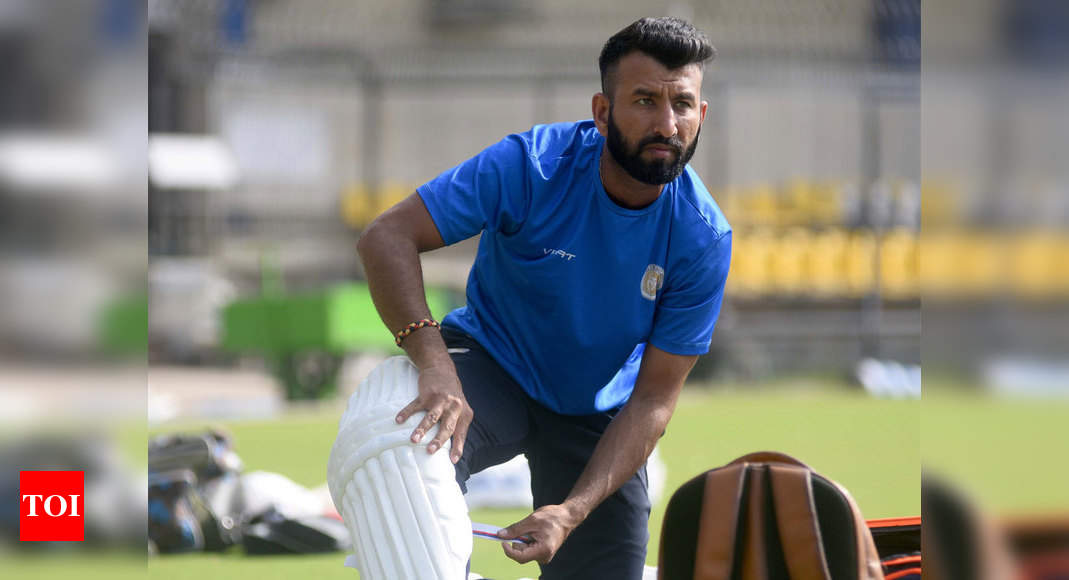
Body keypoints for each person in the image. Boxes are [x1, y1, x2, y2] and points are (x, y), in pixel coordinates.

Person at [357, 16, 731, 579]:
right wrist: (432, 362)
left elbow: (654, 400)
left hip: (598, 410)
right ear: (603, 114)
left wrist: (571, 512)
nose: (666, 122)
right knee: (403, 458)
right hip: (490, 369)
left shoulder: (703, 236)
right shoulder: (531, 165)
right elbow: (386, 237)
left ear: (700, 116)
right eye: (645, 100)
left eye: (681, 104)